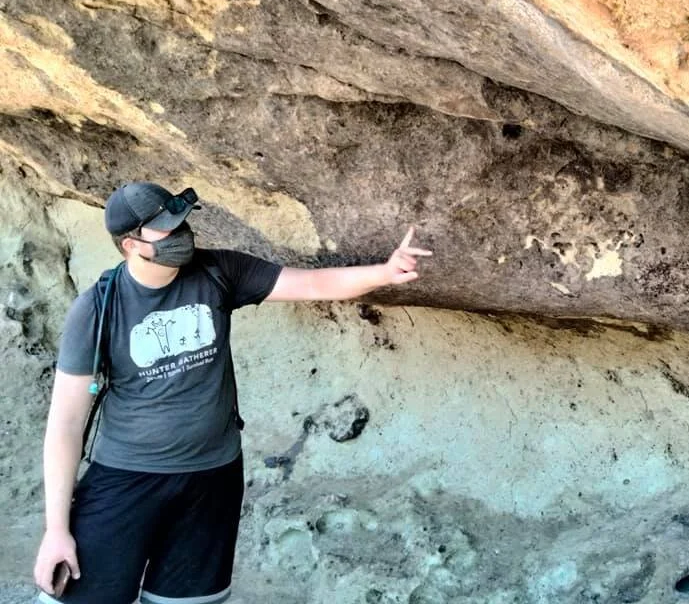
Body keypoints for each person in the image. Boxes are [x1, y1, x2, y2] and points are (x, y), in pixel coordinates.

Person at [32, 182, 431, 604]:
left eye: (182, 221)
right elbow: (65, 423)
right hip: (127, 479)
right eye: (168, 229)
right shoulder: (98, 308)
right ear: (131, 244)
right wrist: (57, 530)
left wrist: (385, 272)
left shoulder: (218, 272)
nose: (183, 233)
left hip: (213, 478)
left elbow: (311, 284)